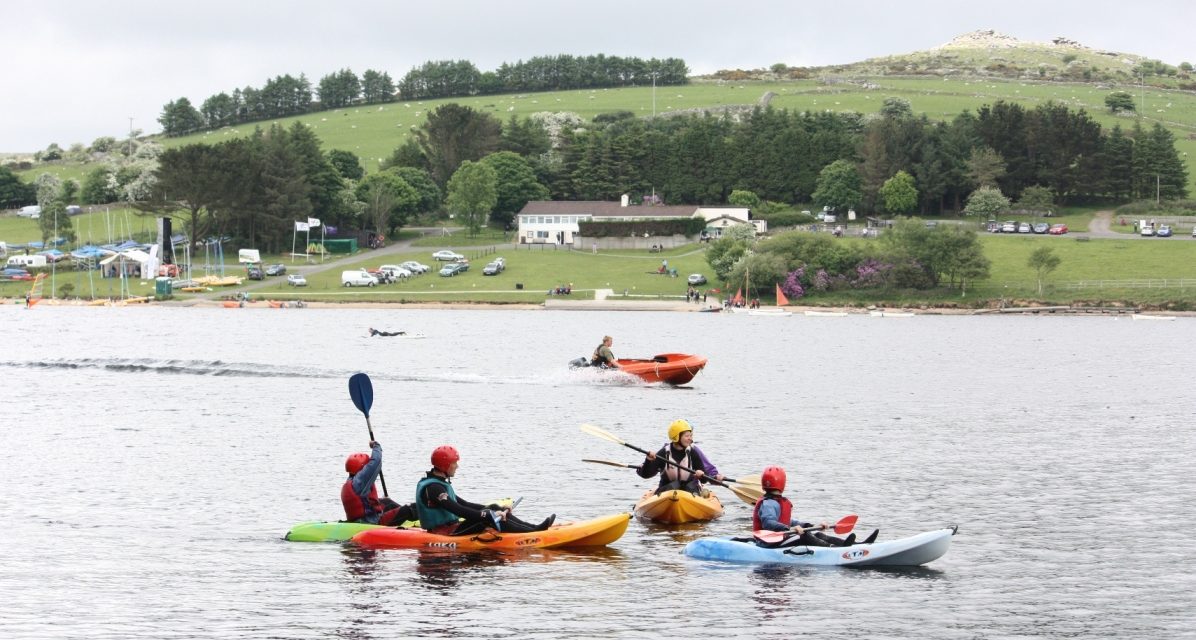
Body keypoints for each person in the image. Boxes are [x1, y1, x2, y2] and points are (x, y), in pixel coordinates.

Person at [414, 445, 554, 535]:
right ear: (445, 466)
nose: (457, 466)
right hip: (444, 532)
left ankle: (533, 528)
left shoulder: (439, 484)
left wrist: (497, 509)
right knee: (488, 517)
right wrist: (488, 515)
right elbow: (459, 510)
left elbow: (465, 504)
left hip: (453, 527)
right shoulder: (433, 488)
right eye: (454, 463)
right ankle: (533, 533)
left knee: (492, 507)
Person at [752, 466, 878, 547]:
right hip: (768, 543)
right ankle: (833, 549)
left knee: (818, 534)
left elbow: (788, 521)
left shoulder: (775, 502)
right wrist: (790, 528)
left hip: (779, 539)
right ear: (782, 482)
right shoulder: (769, 503)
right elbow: (768, 523)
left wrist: (810, 525)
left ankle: (857, 545)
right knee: (804, 536)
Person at [636, 419, 725, 496]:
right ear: (676, 437)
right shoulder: (664, 453)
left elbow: (704, 479)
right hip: (667, 490)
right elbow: (646, 475)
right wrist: (648, 461)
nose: (690, 439)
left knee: (689, 487)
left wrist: (701, 475)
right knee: (675, 485)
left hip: (689, 490)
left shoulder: (692, 452)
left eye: (691, 436)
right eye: (687, 436)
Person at [342, 441, 418, 526]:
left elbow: (364, 502)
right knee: (408, 509)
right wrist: (376, 446)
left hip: (363, 519)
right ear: (363, 468)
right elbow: (376, 462)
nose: (367, 469)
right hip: (373, 522)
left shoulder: (351, 481)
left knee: (386, 501)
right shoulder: (360, 481)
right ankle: (422, 520)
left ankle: (408, 520)